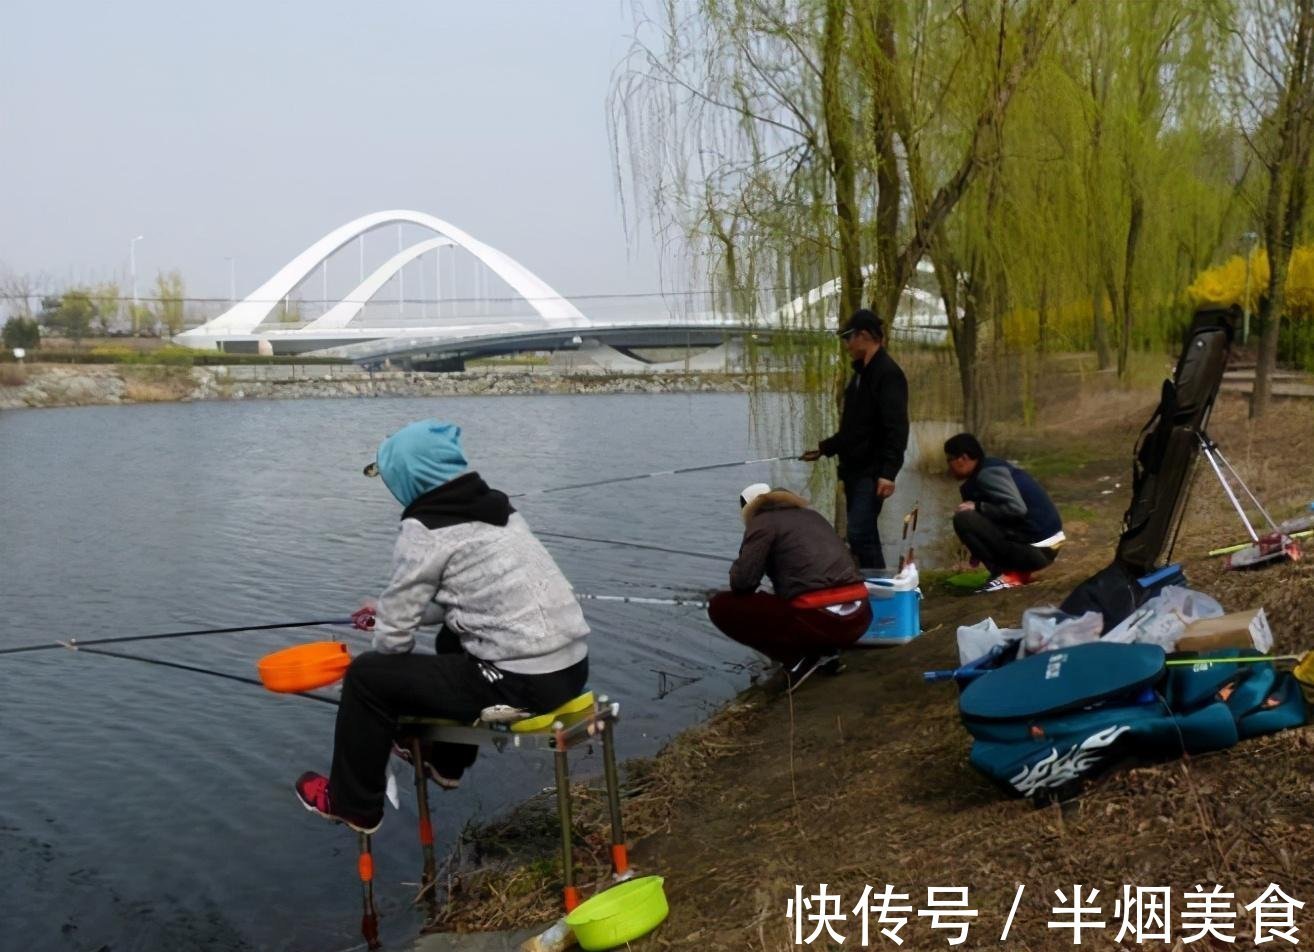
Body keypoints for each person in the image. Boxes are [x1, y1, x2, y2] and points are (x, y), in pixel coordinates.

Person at [294, 419, 589, 833]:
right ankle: (446, 761)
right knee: (455, 635)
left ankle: (352, 803)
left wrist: (388, 622)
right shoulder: (497, 509)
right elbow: (466, 600)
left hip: (522, 688)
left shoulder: (424, 529)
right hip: (571, 671)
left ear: (409, 475)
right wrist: (384, 609)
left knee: (366, 677)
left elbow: (393, 644)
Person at [707, 483, 873, 692]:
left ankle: (796, 660)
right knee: (795, 598)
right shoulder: (813, 517)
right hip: (860, 617)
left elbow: (743, 583)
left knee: (721, 605)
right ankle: (827, 653)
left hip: (822, 620)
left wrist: (738, 566)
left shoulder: (762, 523)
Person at [801, 309, 909, 571]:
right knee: (861, 535)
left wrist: (888, 473)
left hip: (871, 472)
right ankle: (873, 587)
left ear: (863, 336)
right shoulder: (861, 375)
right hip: (854, 469)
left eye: (848, 338)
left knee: (860, 532)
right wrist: (825, 449)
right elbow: (855, 429)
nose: (846, 345)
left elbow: (897, 427)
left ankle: (881, 586)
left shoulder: (887, 373)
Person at [944, 432, 1066, 593]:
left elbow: (1017, 509)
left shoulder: (988, 474)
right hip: (1045, 547)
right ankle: (1010, 572)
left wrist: (978, 507)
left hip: (1039, 551)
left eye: (949, 460)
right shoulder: (991, 467)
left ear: (963, 458)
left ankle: (1005, 574)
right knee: (971, 515)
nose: (948, 466)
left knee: (964, 518)